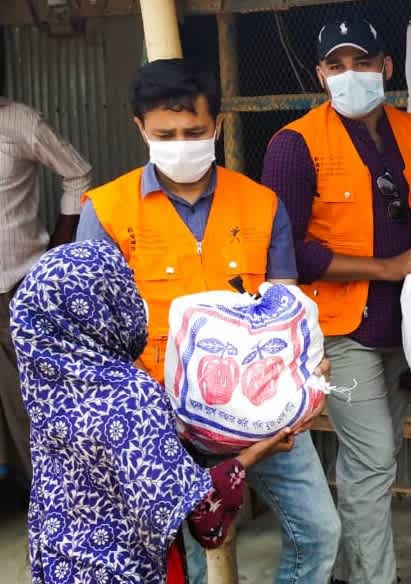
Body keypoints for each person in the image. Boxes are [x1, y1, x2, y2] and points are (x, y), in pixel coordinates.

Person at [76, 58, 340, 584]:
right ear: (140, 130)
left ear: (217, 126)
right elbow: (93, 339)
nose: (181, 142)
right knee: (196, 555)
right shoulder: (105, 211)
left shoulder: (262, 205)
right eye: (165, 133)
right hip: (162, 420)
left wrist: (308, 373)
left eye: (194, 131)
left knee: (320, 531)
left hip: (264, 412)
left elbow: (287, 314)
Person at [262, 18, 411, 584]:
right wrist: (387, 267)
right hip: (339, 331)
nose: (350, 75)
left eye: (362, 62)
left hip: (402, 326)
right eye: (336, 65)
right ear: (320, 75)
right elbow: (285, 253)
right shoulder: (294, 145)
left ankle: (352, 573)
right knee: (373, 460)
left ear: (386, 68)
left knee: (374, 460)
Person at [11, 239, 295, 582]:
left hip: (58, 563)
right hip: (125, 570)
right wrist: (253, 454)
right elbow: (197, 512)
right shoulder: (130, 396)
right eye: (123, 288)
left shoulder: (47, 390)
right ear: (99, 308)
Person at [0, 96, 92, 488]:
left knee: (31, 395)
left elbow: (78, 174)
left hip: (18, 282)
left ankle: (47, 489)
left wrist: (62, 239)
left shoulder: (18, 121)